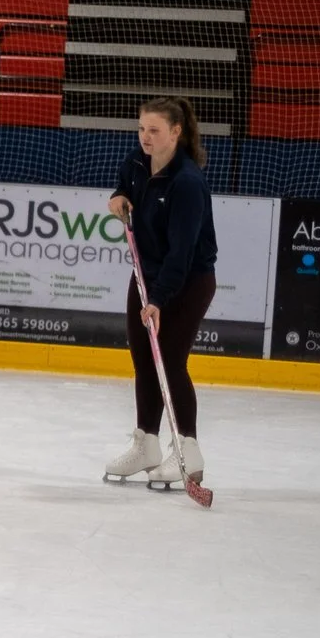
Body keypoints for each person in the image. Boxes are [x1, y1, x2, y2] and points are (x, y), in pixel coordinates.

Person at [103, 96, 217, 492]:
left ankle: (189, 451)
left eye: (154, 130)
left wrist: (158, 300)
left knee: (169, 360)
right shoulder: (138, 162)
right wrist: (119, 195)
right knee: (143, 359)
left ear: (175, 132)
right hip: (146, 276)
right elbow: (125, 182)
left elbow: (181, 254)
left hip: (187, 281)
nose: (145, 137)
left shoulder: (187, 183)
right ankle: (146, 443)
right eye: (141, 129)